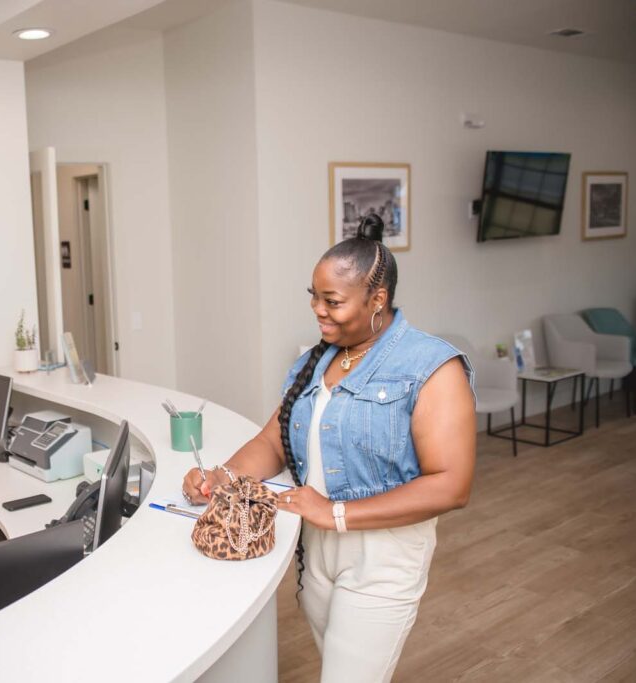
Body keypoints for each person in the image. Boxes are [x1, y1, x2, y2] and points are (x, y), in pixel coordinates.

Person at [182, 214, 475, 682]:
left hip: (383, 556)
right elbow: (271, 441)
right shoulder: (316, 358)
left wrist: (334, 513)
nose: (318, 310)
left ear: (377, 300)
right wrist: (224, 476)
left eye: (332, 301)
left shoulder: (432, 367)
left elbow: (451, 486)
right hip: (315, 549)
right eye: (314, 297)